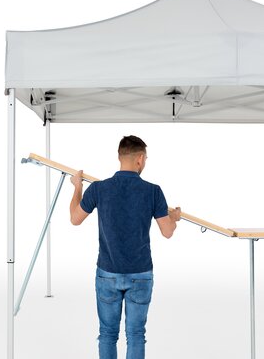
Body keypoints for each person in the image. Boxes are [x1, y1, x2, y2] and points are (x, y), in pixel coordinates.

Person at [69, 135, 181, 359]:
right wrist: (174, 218)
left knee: (108, 334)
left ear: (120, 157)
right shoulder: (153, 191)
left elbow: (74, 218)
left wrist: (78, 187)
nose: (145, 162)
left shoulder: (99, 189)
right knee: (136, 334)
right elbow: (167, 232)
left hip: (107, 273)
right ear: (140, 159)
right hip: (140, 274)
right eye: (146, 158)